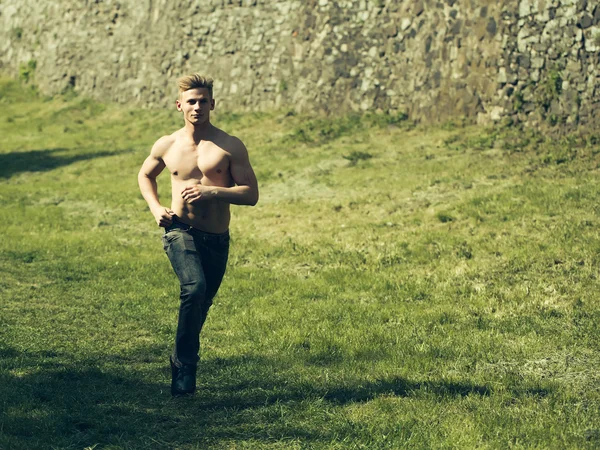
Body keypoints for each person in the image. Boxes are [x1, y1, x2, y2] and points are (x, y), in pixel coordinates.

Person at [138, 74, 259, 396]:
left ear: (212, 105)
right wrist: (154, 207)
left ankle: (180, 356)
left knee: (202, 302)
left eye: (203, 101)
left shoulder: (229, 146)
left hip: (217, 237)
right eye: (191, 101)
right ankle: (185, 369)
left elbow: (251, 195)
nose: (197, 107)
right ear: (180, 106)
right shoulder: (167, 144)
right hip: (179, 229)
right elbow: (145, 174)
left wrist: (212, 193)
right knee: (194, 290)